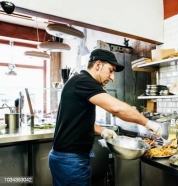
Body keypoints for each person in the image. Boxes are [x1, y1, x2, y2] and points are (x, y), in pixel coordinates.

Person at [48, 48, 163, 186]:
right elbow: (116, 108)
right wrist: (147, 123)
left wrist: (101, 130)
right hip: (70, 160)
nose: (113, 77)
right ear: (98, 65)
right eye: (111, 70)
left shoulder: (79, 81)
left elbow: (78, 121)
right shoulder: (84, 81)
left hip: (70, 158)